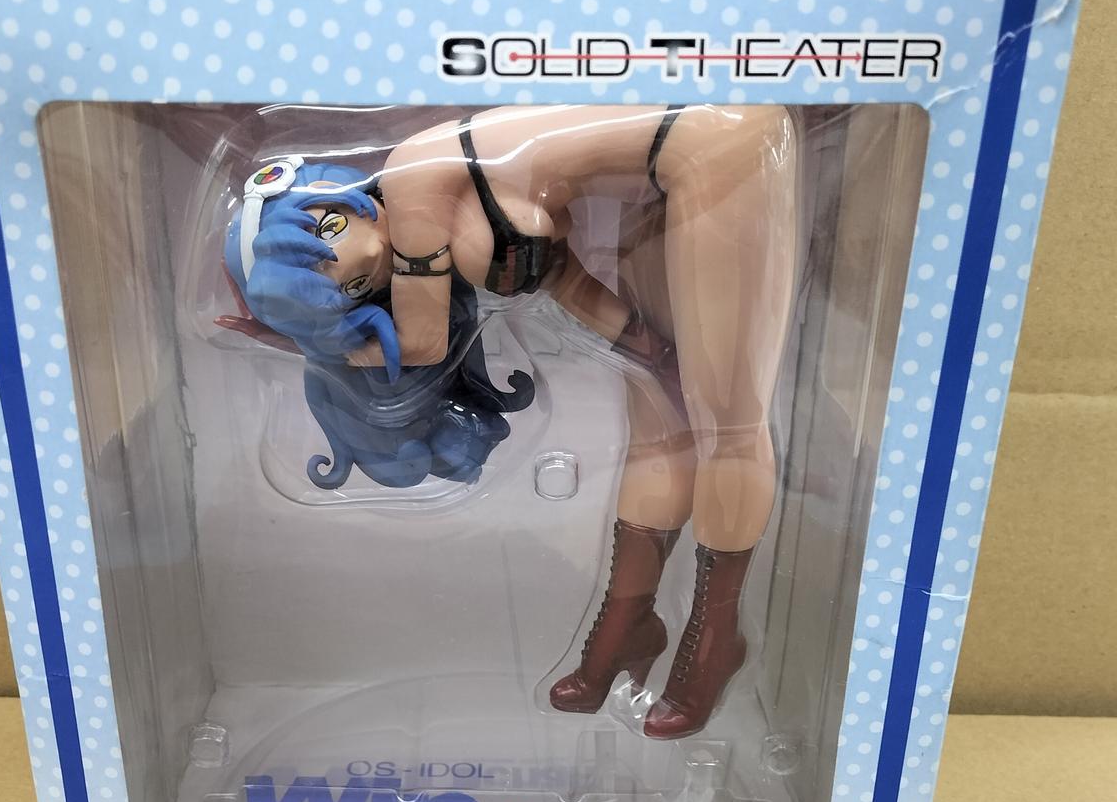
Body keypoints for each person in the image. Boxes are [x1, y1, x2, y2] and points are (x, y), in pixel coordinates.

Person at [222, 105, 800, 739]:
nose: (369, 264)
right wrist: (652, 355)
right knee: (661, 430)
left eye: (332, 242)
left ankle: (716, 637)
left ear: (329, 206)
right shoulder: (445, 205)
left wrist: (314, 345)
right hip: (658, 181)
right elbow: (565, 280)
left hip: (718, 147)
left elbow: (422, 344)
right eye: (355, 290)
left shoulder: (412, 182)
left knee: (728, 427)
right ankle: (627, 623)